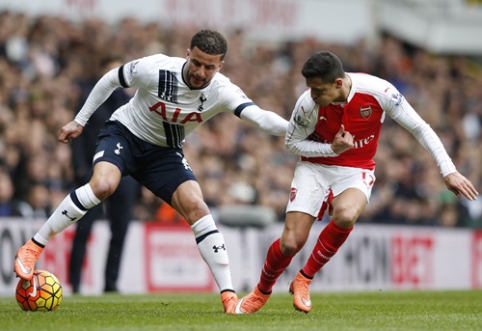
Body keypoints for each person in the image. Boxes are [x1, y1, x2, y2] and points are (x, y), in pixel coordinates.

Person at [13, 30, 288, 313]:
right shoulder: (156, 68)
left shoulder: (222, 90)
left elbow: (262, 118)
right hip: (125, 134)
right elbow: (110, 78)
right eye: (197, 62)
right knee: (103, 185)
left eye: (210, 67)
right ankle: (32, 248)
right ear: (187, 54)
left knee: (197, 205)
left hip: (164, 153)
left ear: (221, 67)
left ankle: (230, 298)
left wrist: (297, 129)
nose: (201, 72)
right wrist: (79, 121)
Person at [235, 51, 479, 314]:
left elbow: (420, 127)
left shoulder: (379, 91)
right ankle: (261, 292)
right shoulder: (307, 104)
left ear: (338, 83)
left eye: (318, 90)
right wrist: (332, 149)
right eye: (310, 90)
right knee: (291, 243)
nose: (313, 96)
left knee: (346, 214)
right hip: (314, 166)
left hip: (356, 167)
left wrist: (448, 170)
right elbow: (291, 143)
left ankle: (304, 278)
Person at [68, 56, 139, 294]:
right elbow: (77, 135)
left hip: (124, 173)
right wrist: (80, 169)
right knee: (84, 228)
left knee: (120, 229)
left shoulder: (131, 101)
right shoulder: (89, 98)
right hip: (92, 171)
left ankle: (111, 283)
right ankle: (75, 282)